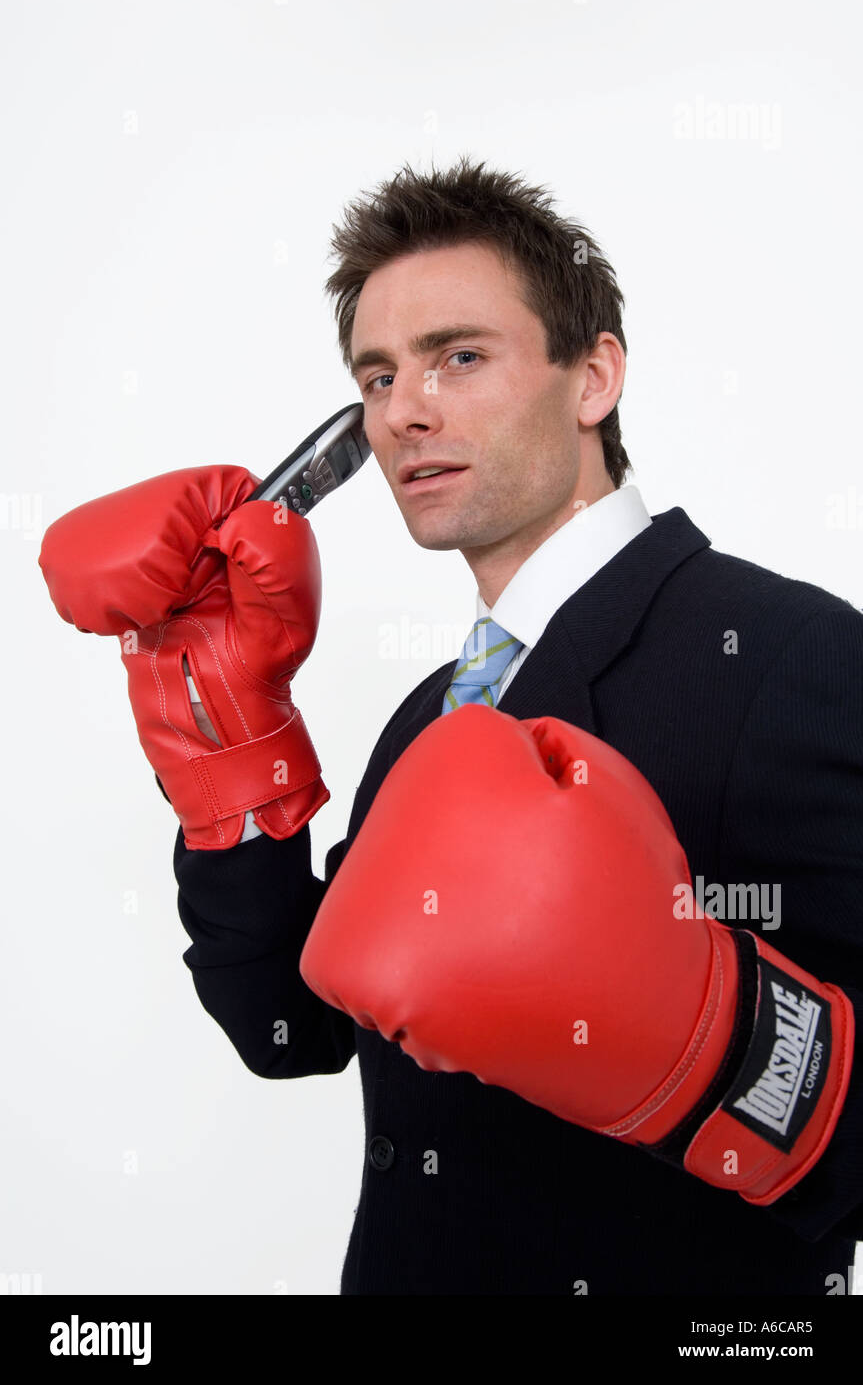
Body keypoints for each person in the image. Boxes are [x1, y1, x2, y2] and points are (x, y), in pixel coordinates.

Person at [39, 156, 863, 1296]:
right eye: (375, 378)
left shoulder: (791, 655)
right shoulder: (430, 721)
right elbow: (289, 1032)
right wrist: (235, 767)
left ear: (593, 379)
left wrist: (712, 1046)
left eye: (457, 358)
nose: (404, 411)